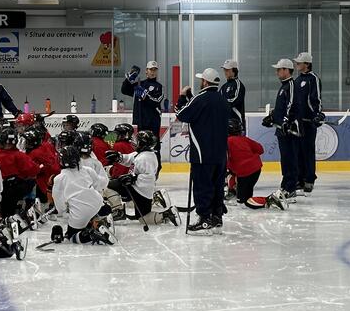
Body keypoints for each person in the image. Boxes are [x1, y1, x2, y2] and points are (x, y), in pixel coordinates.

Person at [175, 68, 228, 234]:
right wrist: (191, 99)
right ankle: (216, 218)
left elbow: (182, 114)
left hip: (202, 153)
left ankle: (204, 220)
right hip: (220, 154)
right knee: (217, 186)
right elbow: (201, 111)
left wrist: (183, 96)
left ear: (205, 81)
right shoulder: (222, 100)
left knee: (202, 186)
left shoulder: (200, 99)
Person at [104, 130, 178, 227]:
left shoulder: (146, 157)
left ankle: (118, 211)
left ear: (142, 143)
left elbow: (149, 176)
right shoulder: (142, 154)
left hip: (140, 190)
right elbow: (130, 158)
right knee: (144, 218)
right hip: (140, 189)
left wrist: (133, 178)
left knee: (108, 186)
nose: (134, 141)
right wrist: (119, 157)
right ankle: (166, 214)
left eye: (137, 140)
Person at [52, 146, 114, 245]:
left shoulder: (59, 178)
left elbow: (59, 203)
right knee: (92, 213)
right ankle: (101, 221)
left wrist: (64, 212)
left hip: (81, 211)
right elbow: (98, 185)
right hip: (99, 204)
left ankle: (92, 233)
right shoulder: (87, 170)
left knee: (72, 237)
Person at [262, 58, 300, 200]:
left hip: (289, 130)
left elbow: (290, 106)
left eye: (279, 69)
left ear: (286, 70)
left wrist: (284, 122)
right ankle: (285, 185)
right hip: (282, 129)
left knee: (290, 159)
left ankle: (290, 188)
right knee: (285, 159)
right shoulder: (284, 86)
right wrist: (272, 117)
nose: (277, 72)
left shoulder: (290, 85)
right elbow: (282, 107)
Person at [121, 61, 164, 167]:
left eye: (155, 70)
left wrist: (145, 95)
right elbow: (124, 90)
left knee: (155, 147)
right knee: (141, 146)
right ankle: (142, 166)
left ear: (157, 71)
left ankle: (156, 168)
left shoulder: (159, 86)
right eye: (150, 70)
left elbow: (156, 101)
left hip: (153, 122)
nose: (153, 72)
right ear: (146, 71)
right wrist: (129, 79)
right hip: (141, 121)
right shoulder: (139, 84)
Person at [293, 52, 324, 193]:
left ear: (307, 64)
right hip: (298, 122)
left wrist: (317, 114)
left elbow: (316, 99)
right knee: (298, 151)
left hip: (309, 122)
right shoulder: (297, 80)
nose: (297, 65)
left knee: (308, 151)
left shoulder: (313, 79)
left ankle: (309, 179)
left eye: (299, 63)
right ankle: (299, 179)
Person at [221, 59, 246, 132]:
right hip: (225, 124)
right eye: (224, 69)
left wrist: (221, 102)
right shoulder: (223, 87)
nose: (225, 72)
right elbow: (218, 100)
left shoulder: (239, 85)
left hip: (237, 125)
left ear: (234, 70)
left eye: (227, 69)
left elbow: (234, 100)